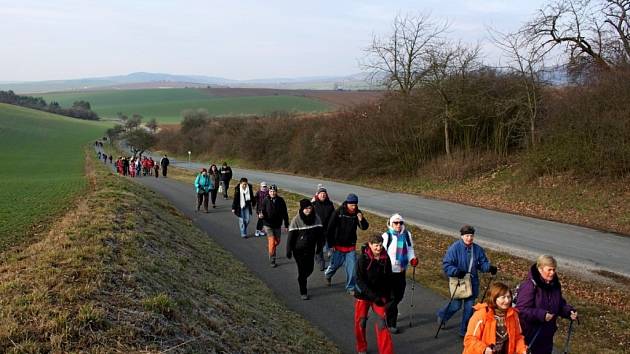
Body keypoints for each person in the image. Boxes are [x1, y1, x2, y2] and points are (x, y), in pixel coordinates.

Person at [437, 225, 498, 337]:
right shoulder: (454, 248)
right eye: (466, 235)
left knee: (469, 309)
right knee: (456, 305)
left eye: (471, 235)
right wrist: (455, 271)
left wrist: (489, 267)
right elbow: (446, 265)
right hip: (459, 282)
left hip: (472, 283)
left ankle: (465, 331)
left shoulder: (478, 249)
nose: (469, 238)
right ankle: (442, 316)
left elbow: (482, 264)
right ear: (462, 236)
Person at [515, 255, 577, 354]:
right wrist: (542, 315)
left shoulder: (555, 285)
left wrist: (569, 312)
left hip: (547, 336)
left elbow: (559, 304)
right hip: (530, 335)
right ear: (540, 269)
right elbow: (521, 309)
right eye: (549, 270)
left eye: (554, 269)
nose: (552, 273)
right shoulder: (529, 286)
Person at [354, 233, 394, 354]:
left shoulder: (386, 259)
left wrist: (388, 296)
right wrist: (373, 296)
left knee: (382, 324)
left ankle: (386, 352)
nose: (379, 248)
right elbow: (359, 281)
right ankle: (361, 347)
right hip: (364, 295)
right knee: (361, 322)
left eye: (381, 245)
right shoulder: (363, 259)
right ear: (370, 245)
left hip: (380, 296)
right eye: (376, 246)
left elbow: (389, 277)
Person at [463, 282, 527, 354]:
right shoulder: (481, 314)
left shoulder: (513, 314)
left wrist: (523, 350)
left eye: (509, 297)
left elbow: (518, 337)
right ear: (494, 298)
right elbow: (469, 340)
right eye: (503, 297)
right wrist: (484, 349)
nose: (507, 301)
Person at [325, 193, 369, 295]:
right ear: (347, 203)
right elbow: (330, 229)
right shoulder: (339, 212)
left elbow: (364, 227)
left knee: (352, 268)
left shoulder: (357, 213)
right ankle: (328, 275)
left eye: (355, 205)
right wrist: (331, 245)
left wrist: (361, 219)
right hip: (338, 245)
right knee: (335, 265)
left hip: (351, 246)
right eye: (351, 205)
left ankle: (350, 287)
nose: (354, 207)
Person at [382, 213, 418, 334]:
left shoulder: (407, 235)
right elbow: (381, 253)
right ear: (391, 223)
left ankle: (386, 310)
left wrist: (412, 258)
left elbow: (410, 249)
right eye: (396, 223)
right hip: (389, 272)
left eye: (400, 223)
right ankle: (391, 323)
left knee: (399, 296)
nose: (398, 225)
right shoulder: (387, 236)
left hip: (401, 270)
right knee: (392, 298)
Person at [286, 199, 324, 300]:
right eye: (306, 208)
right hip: (298, 250)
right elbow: (291, 237)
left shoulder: (316, 219)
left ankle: (302, 278)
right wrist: (288, 250)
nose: (308, 210)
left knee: (310, 269)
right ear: (302, 209)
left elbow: (321, 236)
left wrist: (320, 247)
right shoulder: (296, 220)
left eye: (310, 208)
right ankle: (303, 291)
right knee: (302, 270)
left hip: (310, 249)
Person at [260, 184, 289, 267]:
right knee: (272, 241)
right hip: (268, 224)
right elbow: (262, 210)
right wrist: (261, 215)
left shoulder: (281, 200)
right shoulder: (266, 200)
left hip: (277, 224)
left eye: (274, 191)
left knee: (277, 241)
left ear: (276, 192)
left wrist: (286, 225)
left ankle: (270, 246)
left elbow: (285, 213)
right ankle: (272, 260)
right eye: (271, 191)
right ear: (269, 192)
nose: (272, 193)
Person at [312, 186, 335, 271]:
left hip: (327, 229)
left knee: (329, 244)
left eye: (324, 194)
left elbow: (333, 216)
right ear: (318, 195)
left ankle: (330, 260)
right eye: (321, 193)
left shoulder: (330, 204)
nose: (323, 195)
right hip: (317, 229)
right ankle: (321, 262)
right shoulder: (314, 204)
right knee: (320, 246)